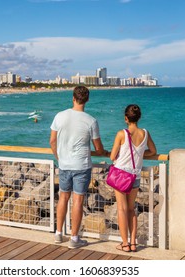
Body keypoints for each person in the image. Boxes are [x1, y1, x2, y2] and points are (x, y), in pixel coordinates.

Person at [50, 86, 108, 249]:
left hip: (64, 164)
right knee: (78, 200)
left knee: (63, 197)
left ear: (73, 98)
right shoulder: (91, 121)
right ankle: (74, 239)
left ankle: (58, 233)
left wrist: (59, 157)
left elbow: (52, 141)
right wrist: (105, 152)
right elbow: (98, 148)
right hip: (81, 165)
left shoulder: (59, 116)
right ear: (87, 100)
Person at [109, 104, 157, 253]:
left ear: (125, 118)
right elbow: (153, 151)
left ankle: (124, 244)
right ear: (139, 117)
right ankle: (133, 243)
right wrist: (141, 154)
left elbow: (112, 156)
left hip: (121, 175)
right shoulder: (145, 133)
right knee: (131, 209)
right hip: (134, 176)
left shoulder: (121, 134)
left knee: (122, 209)